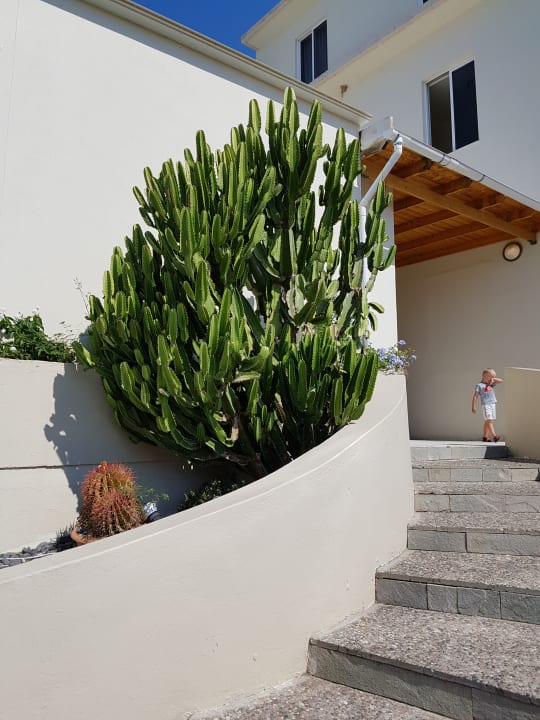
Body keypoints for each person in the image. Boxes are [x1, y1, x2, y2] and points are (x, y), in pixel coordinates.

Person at [472, 368, 503, 442]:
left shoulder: (491, 384)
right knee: (489, 420)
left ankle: (485, 437)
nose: (492, 378)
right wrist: (473, 406)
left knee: (488, 421)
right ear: (484, 376)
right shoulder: (479, 385)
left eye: (493, 377)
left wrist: (493, 379)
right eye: (491, 377)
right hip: (486, 404)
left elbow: (501, 381)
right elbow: (475, 396)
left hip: (493, 404)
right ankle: (494, 436)